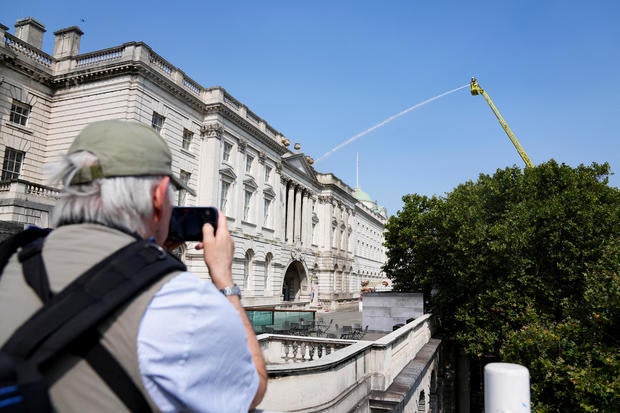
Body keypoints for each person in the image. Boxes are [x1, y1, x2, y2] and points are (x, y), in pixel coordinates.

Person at [0, 120, 267, 412]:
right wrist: (225, 281)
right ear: (157, 197)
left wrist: (145, 257)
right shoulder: (185, 302)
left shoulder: (8, 260)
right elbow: (251, 388)